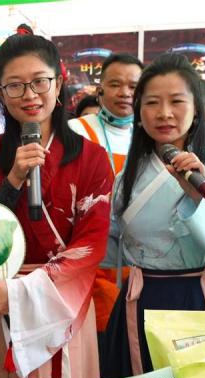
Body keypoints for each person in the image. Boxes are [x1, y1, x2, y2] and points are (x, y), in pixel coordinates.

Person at [0, 27, 112, 378]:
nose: (29, 95)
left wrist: (23, 293)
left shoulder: (93, 158)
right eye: (14, 86)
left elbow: (91, 245)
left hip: (62, 301)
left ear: (58, 83)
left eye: (39, 81)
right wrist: (12, 181)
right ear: (1, 94)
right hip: (1, 298)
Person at [101, 54, 205, 378]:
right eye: (152, 103)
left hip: (200, 299)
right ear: (139, 113)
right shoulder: (126, 177)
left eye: (177, 101)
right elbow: (110, 246)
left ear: (197, 110)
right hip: (141, 299)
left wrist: (197, 199)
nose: (164, 113)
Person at [68, 54, 143, 359]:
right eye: (115, 84)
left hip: (137, 263)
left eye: (133, 86)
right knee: (95, 352)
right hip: (90, 261)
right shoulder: (76, 131)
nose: (124, 93)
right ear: (100, 89)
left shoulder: (149, 134)